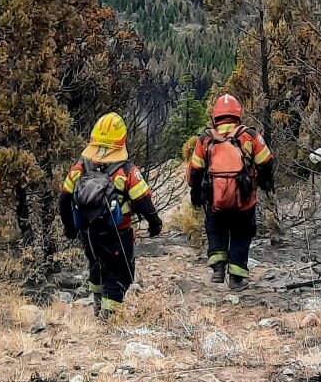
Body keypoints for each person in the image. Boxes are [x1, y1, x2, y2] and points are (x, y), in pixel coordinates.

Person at [59, 112, 162, 317]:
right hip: (117, 233)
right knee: (119, 273)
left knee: (96, 265)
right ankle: (109, 315)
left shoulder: (80, 167)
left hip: (88, 233)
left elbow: (64, 198)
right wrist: (155, 223)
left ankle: (97, 304)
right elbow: (143, 201)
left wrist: (70, 227)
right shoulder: (126, 171)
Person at [187, 93, 274, 290]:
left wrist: (196, 195)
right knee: (242, 234)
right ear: (238, 114)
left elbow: (195, 170)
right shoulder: (249, 135)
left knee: (215, 229)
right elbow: (267, 162)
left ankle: (218, 266)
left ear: (215, 116)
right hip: (244, 199)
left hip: (214, 199)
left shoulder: (205, 139)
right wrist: (264, 183)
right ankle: (236, 277)